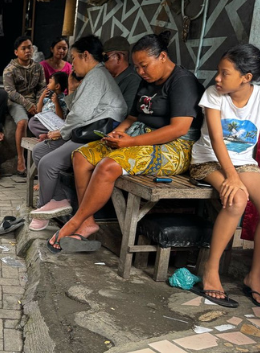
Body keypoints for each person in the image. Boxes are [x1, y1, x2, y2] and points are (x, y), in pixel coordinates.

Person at [49, 31, 204, 252]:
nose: (140, 72)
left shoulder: (182, 81)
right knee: (82, 156)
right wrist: (118, 133)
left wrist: (131, 142)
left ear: (162, 56)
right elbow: (132, 117)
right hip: (139, 135)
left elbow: (178, 129)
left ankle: (76, 220)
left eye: (144, 65)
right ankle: (88, 221)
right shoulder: (146, 80)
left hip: (175, 146)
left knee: (107, 166)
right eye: (137, 67)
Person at [189, 44, 260, 309]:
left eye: (224, 73)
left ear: (246, 77)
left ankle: (253, 278)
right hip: (208, 160)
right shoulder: (214, 95)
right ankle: (211, 272)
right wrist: (231, 178)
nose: (217, 78)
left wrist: (236, 174)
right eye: (218, 72)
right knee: (237, 200)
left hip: (243, 163)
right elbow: (217, 141)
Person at [28, 36, 127, 231]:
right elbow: (77, 110)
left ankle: (44, 209)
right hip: (83, 131)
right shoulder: (92, 76)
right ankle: (58, 199)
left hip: (96, 135)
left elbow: (79, 115)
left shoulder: (97, 75)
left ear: (86, 55)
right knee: (39, 151)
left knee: (48, 162)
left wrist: (62, 133)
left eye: (73, 58)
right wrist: (72, 89)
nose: (72, 63)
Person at [4, 36, 46, 175]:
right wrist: (28, 104)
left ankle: (42, 160)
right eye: (24, 48)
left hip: (35, 102)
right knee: (22, 122)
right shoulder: (10, 69)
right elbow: (10, 92)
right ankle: (21, 158)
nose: (28, 51)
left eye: (29, 47)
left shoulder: (38, 67)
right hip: (17, 102)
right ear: (16, 52)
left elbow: (42, 87)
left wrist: (38, 103)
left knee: (47, 121)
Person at [103, 36, 140, 112]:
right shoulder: (106, 76)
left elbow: (125, 113)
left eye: (105, 58)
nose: (103, 63)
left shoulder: (133, 80)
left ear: (118, 57)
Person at [28, 71, 69, 138]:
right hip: (46, 123)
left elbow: (61, 118)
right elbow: (38, 110)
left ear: (57, 86)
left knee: (33, 121)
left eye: (50, 83)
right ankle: (47, 135)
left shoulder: (63, 100)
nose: (47, 85)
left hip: (55, 126)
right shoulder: (48, 99)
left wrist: (56, 103)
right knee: (32, 121)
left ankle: (50, 135)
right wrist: (42, 96)